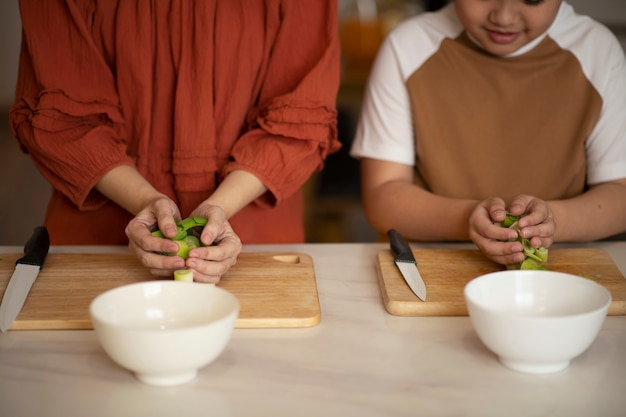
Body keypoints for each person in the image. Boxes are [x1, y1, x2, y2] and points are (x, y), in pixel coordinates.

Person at [10, 0, 341, 282]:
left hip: (256, 244)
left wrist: (222, 206)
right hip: (98, 246)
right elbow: (63, 117)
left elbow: (301, 114)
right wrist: (143, 199)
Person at [350, 0, 626, 266]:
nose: (504, 17)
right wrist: (466, 218)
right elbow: (382, 198)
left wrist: (553, 221)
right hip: (427, 263)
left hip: (562, 267)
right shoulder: (408, 45)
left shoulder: (598, 51)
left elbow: (619, 194)